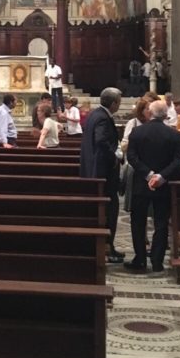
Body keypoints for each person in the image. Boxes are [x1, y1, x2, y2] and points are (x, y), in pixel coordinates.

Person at [125, 100, 180, 273]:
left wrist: (148, 174)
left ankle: (140, 259)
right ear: (166, 115)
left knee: (138, 222)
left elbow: (132, 157)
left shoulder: (137, 132)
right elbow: (178, 160)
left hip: (141, 183)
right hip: (163, 185)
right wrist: (161, 176)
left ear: (150, 113)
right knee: (161, 223)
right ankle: (157, 261)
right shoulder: (174, 135)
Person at [80, 86, 124, 263]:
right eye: (118, 102)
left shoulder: (94, 114)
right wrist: (115, 155)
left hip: (94, 169)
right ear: (113, 103)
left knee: (103, 211)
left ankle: (108, 247)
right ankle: (107, 247)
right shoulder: (103, 118)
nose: (119, 105)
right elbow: (101, 141)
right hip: (103, 173)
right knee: (108, 211)